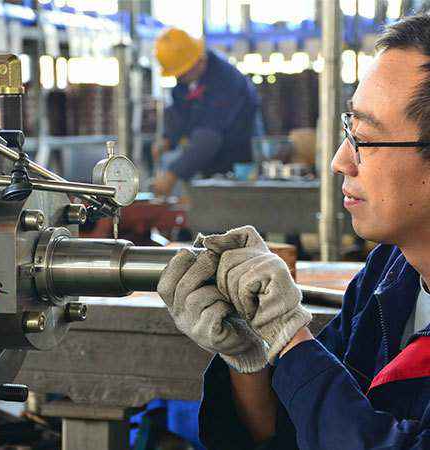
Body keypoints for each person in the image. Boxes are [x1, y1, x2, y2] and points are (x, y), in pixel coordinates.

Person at [158, 14, 430, 450]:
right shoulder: (390, 272)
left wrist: (291, 337)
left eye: (364, 138)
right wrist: (250, 359)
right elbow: (301, 426)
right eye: (349, 130)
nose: (340, 161)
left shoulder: (226, 85)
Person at [151, 28, 260, 197]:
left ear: (198, 61)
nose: (179, 78)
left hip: (239, 168)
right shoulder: (185, 82)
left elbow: (209, 137)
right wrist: (167, 140)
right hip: (209, 167)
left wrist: (172, 175)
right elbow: (180, 113)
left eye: (181, 74)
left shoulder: (226, 81)